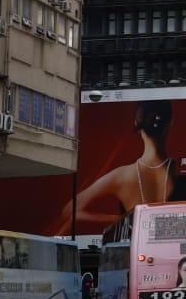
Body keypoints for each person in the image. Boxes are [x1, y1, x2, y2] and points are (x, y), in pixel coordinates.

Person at [64, 100, 178, 238]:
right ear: (170, 123)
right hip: (177, 248)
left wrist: (120, 220)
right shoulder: (185, 169)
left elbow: (69, 211)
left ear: (136, 123)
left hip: (135, 248)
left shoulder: (122, 176)